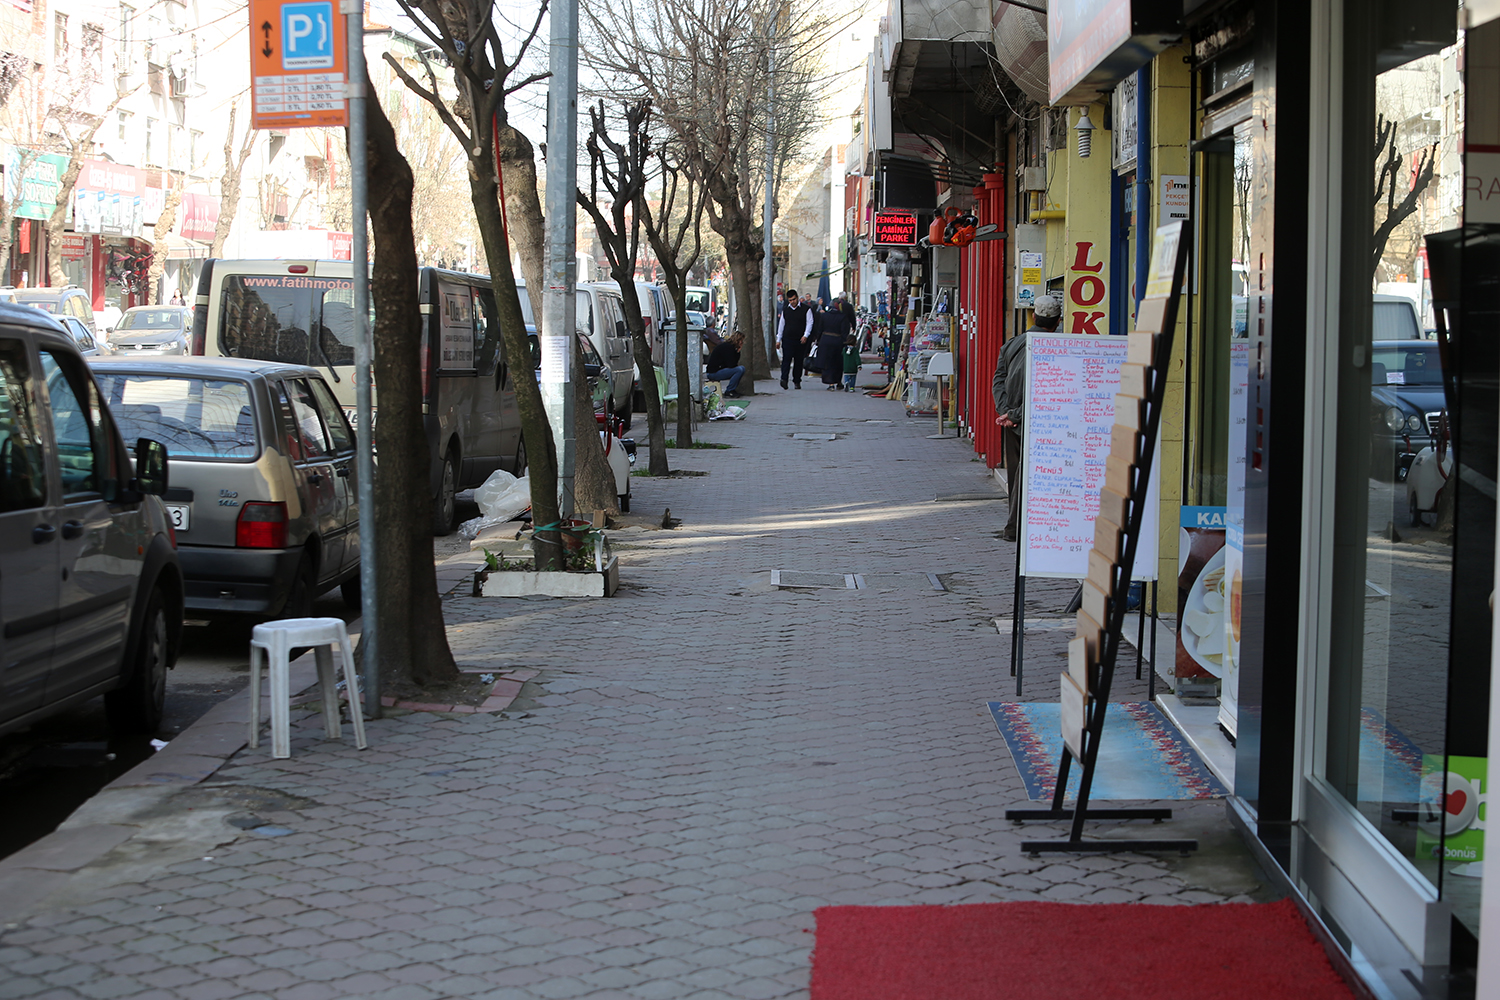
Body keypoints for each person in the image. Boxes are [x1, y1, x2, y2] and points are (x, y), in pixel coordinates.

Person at [993, 294, 1063, 542]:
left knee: (1016, 476)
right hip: (1044, 425)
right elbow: (1048, 394)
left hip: (1014, 423)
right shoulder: (1061, 349)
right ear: (1058, 321)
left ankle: (1014, 528)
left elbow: (998, 379)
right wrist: (1012, 414)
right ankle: (1024, 527)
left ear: (1033, 316)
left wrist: (1007, 413)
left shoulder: (1012, 344)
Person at [777, 289, 814, 389]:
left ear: (797, 298)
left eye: (793, 299)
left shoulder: (806, 309)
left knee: (798, 361)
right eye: (790, 300)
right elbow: (781, 325)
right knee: (786, 360)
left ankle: (797, 380)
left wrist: (806, 335)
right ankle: (784, 379)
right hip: (787, 338)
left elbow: (809, 323)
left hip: (800, 340)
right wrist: (778, 339)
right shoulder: (786, 310)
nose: (792, 302)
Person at [816, 296, 852, 389]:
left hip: (825, 341)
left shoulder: (824, 316)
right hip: (837, 341)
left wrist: (818, 340)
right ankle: (838, 381)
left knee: (827, 363)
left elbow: (819, 329)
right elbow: (845, 331)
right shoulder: (843, 317)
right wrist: (845, 342)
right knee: (838, 363)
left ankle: (830, 383)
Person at [707, 331, 746, 397]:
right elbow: (732, 364)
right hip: (714, 372)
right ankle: (729, 390)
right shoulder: (728, 348)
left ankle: (731, 389)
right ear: (738, 341)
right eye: (741, 341)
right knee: (739, 369)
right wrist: (738, 352)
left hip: (717, 370)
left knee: (741, 368)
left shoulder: (729, 347)